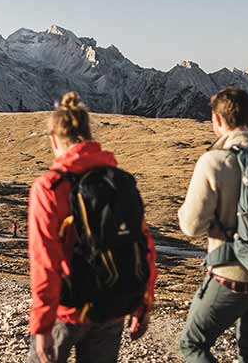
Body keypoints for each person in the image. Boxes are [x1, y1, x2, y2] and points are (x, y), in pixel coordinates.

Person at [27, 92, 157, 363]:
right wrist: (144, 301)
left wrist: (41, 326)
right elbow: (143, 244)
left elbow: (45, 263)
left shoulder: (50, 188)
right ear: (88, 135)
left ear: (54, 139)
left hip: (67, 311)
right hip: (113, 304)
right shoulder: (120, 181)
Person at [178, 87, 248, 363]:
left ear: (217, 120)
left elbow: (191, 226)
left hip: (232, 275)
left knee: (192, 345)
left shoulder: (215, 161)